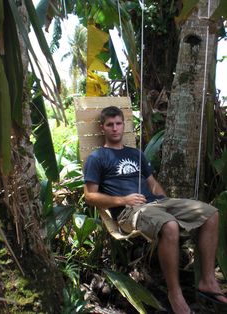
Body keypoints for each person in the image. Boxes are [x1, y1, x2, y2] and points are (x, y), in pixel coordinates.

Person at [83, 106, 227, 314]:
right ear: (102, 128)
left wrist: (166, 201)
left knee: (211, 214)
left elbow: (152, 183)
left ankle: (208, 281)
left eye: (118, 123)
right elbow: (89, 196)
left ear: (124, 125)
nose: (115, 128)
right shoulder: (97, 158)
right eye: (110, 125)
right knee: (169, 226)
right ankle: (175, 294)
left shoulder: (135, 154)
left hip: (157, 204)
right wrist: (123, 199)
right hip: (128, 211)